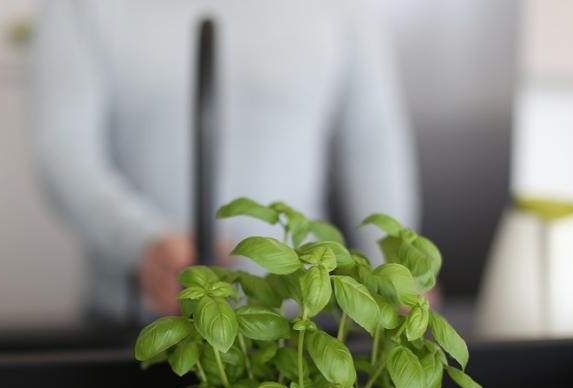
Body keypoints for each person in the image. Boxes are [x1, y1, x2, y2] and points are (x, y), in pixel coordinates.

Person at [33, 0, 419, 321]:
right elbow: (65, 154)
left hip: (300, 322)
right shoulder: (80, 7)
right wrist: (144, 241)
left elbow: (371, 139)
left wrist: (394, 266)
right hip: (138, 318)